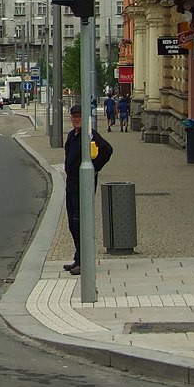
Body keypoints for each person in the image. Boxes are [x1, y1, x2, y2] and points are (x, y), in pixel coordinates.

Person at [63, 103, 113, 275]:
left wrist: (94, 168)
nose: (76, 119)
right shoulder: (72, 136)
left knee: (80, 223)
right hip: (71, 185)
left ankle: (84, 261)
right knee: (72, 224)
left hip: (82, 187)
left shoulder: (90, 136)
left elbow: (107, 150)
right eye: (74, 116)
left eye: (79, 116)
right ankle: (78, 258)